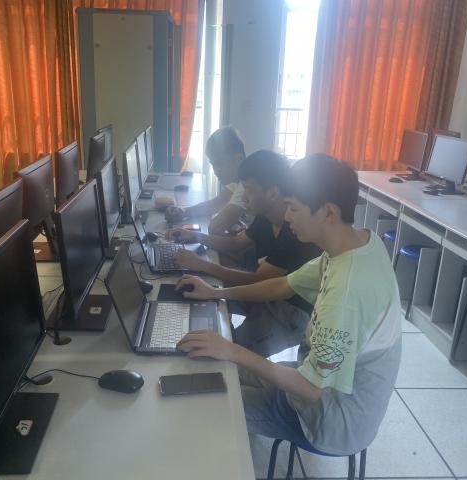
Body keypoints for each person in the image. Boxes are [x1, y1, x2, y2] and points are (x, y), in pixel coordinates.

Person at [175, 154, 402, 456]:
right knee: (217, 368)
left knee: (208, 400)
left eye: (293, 208)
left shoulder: (346, 293)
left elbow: (311, 388)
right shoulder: (357, 244)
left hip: (330, 421)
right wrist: (214, 293)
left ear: (328, 212)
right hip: (316, 384)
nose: (288, 216)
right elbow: (283, 285)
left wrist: (232, 349)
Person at [167, 150, 321, 357]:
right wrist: (195, 237)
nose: (244, 197)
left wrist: (203, 266)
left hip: (290, 311)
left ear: (273, 193)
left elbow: (258, 280)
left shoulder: (293, 231)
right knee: (199, 298)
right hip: (268, 294)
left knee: (223, 353)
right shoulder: (266, 216)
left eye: (249, 190)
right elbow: (234, 245)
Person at [165, 127, 247, 235]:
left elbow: (213, 228)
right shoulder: (239, 180)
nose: (215, 170)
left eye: (219, 163)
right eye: (213, 164)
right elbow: (214, 204)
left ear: (238, 159)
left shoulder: (246, 186)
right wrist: (184, 212)